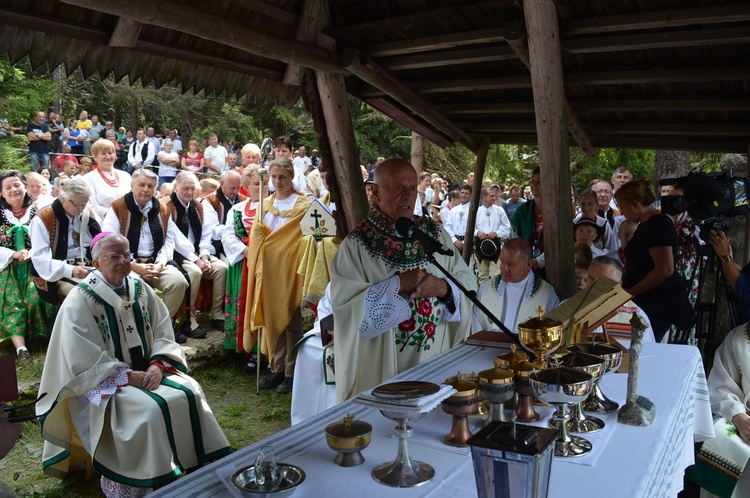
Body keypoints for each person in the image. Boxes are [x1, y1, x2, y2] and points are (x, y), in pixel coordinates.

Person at [36, 233, 231, 498]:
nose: (122, 261)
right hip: (103, 380)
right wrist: (126, 376)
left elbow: (163, 329)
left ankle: (196, 463)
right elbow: (79, 353)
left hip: (149, 370)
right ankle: (147, 478)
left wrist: (158, 365)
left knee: (191, 391)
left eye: (126, 255)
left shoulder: (140, 288)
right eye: (113, 257)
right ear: (96, 262)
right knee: (149, 409)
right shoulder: (80, 299)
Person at [330, 158, 475, 403]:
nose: (407, 196)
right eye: (398, 188)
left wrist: (443, 288)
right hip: (382, 372)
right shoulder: (357, 246)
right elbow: (346, 313)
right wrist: (397, 285)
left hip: (434, 360)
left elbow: (468, 284)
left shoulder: (434, 234)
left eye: (412, 189)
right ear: (375, 192)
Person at [243, 157, 310, 394]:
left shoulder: (303, 205)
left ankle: (292, 372)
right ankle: (277, 368)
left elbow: (306, 239)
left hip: (291, 270)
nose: (278, 181)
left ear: (292, 176)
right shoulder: (265, 204)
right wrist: (258, 236)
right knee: (271, 318)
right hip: (268, 272)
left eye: (282, 176)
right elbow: (257, 243)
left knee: (290, 321)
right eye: (274, 177)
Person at [101, 169, 190, 342]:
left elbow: (169, 241)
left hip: (155, 263)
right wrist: (135, 266)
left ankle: (160, 327)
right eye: (141, 185)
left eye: (150, 186)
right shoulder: (118, 207)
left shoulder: (162, 209)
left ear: (155, 188)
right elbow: (110, 242)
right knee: (136, 288)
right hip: (127, 265)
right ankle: (139, 331)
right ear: (132, 186)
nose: (146, 189)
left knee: (179, 282)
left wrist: (160, 264)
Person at [615, 179, 688, 343]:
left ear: (636, 204)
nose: (622, 211)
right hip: (646, 299)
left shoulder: (657, 224)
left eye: (623, 206)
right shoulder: (646, 223)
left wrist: (632, 291)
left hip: (656, 301)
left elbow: (664, 269)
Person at [687, 322, 750, 497]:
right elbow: (721, 387)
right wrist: (740, 418)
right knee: (721, 438)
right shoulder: (739, 339)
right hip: (746, 421)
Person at [163, 172, 227, 337]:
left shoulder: (198, 206)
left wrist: (205, 256)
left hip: (199, 253)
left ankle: (217, 314)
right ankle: (188, 319)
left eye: (193, 188)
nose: (190, 192)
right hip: (178, 255)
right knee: (195, 272)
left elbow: (205, 234)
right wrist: (197, 260)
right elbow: (177, 240)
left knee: (220, 268)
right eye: (186, 188)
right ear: (176, 187)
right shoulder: (168, 206)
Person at [0, 171, 54, 364]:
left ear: (25, 187)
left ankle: (46, 339)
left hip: (35, 264)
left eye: (17, 185)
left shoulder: (39, 211)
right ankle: (21, 348)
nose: (14, 190)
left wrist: (33, 252)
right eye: (8, 187)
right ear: (2, 194)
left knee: (36, 298)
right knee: (12, 304)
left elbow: (48, 236)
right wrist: (12, 254)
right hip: (7, 269)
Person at [29, 178, 100, 303]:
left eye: (84, 204)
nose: (80, 209)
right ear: (63, 198)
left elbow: (100, 241)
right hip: (58, 273)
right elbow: (40, 259)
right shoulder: (43, 219)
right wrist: (70, 270)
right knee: (88, 295)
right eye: (76, 204)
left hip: (88, 267)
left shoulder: (86, 213)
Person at [471, 238, 559, 333]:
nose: (504, 269)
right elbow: (476, 324)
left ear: (529, 264)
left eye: (510, 264)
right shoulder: (485, 289)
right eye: (502, 262)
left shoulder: (546, 294)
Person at [222, 167, 262, 352]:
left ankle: (260, 350)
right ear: (246, 186)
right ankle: (240, 345)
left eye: (264, 183)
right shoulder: (237, 209)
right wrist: (246, 251)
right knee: (243, 303)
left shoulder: (272, 208)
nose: (262, 187)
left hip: (264, 263)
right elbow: (228, 235)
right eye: (256, 184)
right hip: (243, 263)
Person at [585, 256, 655, 343]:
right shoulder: (569, 308)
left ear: (618, 284)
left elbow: (646, 352)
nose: (595, 286)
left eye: (603, 281)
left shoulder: (636, 316)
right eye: (591, 278)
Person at [83, 139, 133, 219]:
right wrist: (117, 215)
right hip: (103, 225)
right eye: (103, 154)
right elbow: (92, 206)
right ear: (95, 157)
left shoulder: (126, 176)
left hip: (128, 222)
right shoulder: (88, 179)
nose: (108, 157)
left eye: (110, 153)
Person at [709, 230, 750, 326]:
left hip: (741, 335)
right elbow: (744, 277)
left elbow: (743, 291)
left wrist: (725, 256)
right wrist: (728, 259)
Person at [202, 170, 245, 259]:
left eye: (238, 188)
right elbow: (212, 231)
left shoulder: (244, 200)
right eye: (232, 188)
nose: (236, 192)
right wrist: (233, 231)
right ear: (221, 183)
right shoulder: (210, 201)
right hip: (219, 246)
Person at [511, 167, 545, 271]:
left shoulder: (559, 211)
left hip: (554, 267)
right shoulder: (522, 211)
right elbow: (514, 239)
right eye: (532, 181)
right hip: (526, 266)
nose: (534, 185)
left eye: (539, 182)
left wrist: (539, 262)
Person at [475, 186, 511, 283]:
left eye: (495, 196)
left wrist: (497, 233)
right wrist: (478, 232)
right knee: (482, 275)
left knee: (497, 274)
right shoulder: (477, 211)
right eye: (491, 196)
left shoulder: (500, 210)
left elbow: (507, 227)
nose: (494, 198)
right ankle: (482, 297)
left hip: (497, 245)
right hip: (480, 246)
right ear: (484, 197)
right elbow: (470, 228)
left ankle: (497, 295)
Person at [443, 184, 472, 252]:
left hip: (468, 243)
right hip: (454, 242)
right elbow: (448, 226)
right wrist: (454, 240)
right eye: (462, 193)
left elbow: (475, 227)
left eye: (466, 193)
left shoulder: (474, 210)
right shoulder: (453, 210)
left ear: (471, 196)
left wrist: (464, 242)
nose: (463, 195)